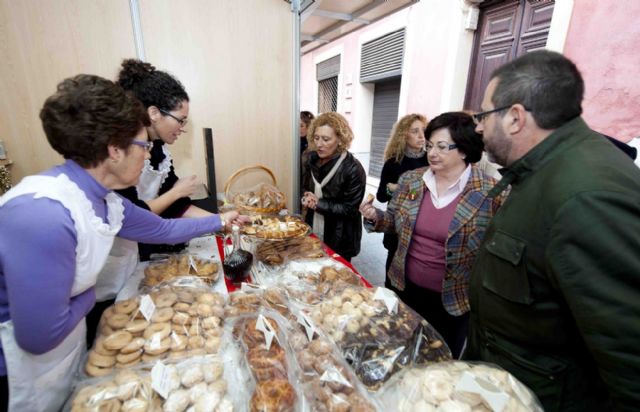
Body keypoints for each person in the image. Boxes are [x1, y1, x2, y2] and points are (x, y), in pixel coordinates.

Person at [0, 74, 245, 411]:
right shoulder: (42, 214)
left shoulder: (106, 199)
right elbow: (39, 335)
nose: (147, 157)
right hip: (15, 371)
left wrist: (220, 220)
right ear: (115, 150)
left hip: (63, 353)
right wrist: (91, 295)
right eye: (143, 146)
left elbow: (161, 230)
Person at [465, 50, 640, 410]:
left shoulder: (586, 196)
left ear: (515, 118)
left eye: (483, 115)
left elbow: (630, 361)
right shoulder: (546, 169)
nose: (478, 127)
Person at [360, 112, 506, 358]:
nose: (432, 153)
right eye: (429, 146)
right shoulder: (411, 180)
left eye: (441, 146)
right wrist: (375, 215)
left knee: (439, 361)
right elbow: (395, 222)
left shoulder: (491, 193)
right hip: (406, 290)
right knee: (400, 353)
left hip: (453, 302)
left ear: (463, 150)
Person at [117, 59, 212, 261]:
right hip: (119, 252)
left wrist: (220, 221)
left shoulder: (159, 148)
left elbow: (177, 206)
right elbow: (133, 215)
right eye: (180, 120)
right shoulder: (125, 152)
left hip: (141, 245)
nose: (182, 127)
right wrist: (176, 192)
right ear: (154, 113)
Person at [301, 112, 366, 262]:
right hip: (314, 228)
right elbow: (305, 187)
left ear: (340, 139)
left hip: (340, 237)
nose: (319, 144)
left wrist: (319, 204)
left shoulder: (353, 168)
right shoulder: (311, 160)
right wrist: (306, 196)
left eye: (326, 139)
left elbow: (350, 210)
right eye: (316, 138)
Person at [376, 114, 428, 289]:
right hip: (397, 229)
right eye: (415, 131)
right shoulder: (393, 163)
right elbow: (381, 196)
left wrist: (401, 188)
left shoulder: (431, 161)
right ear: (403, 135)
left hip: (422, 229)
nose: (422, 136)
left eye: (424, 131)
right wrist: (393, 190)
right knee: (392, 283)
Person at [299, 110, 315, 196]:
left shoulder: (313, 145)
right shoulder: (295, 142)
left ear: (309, 127)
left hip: (308, 184)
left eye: (301, 126)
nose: (298, 128)